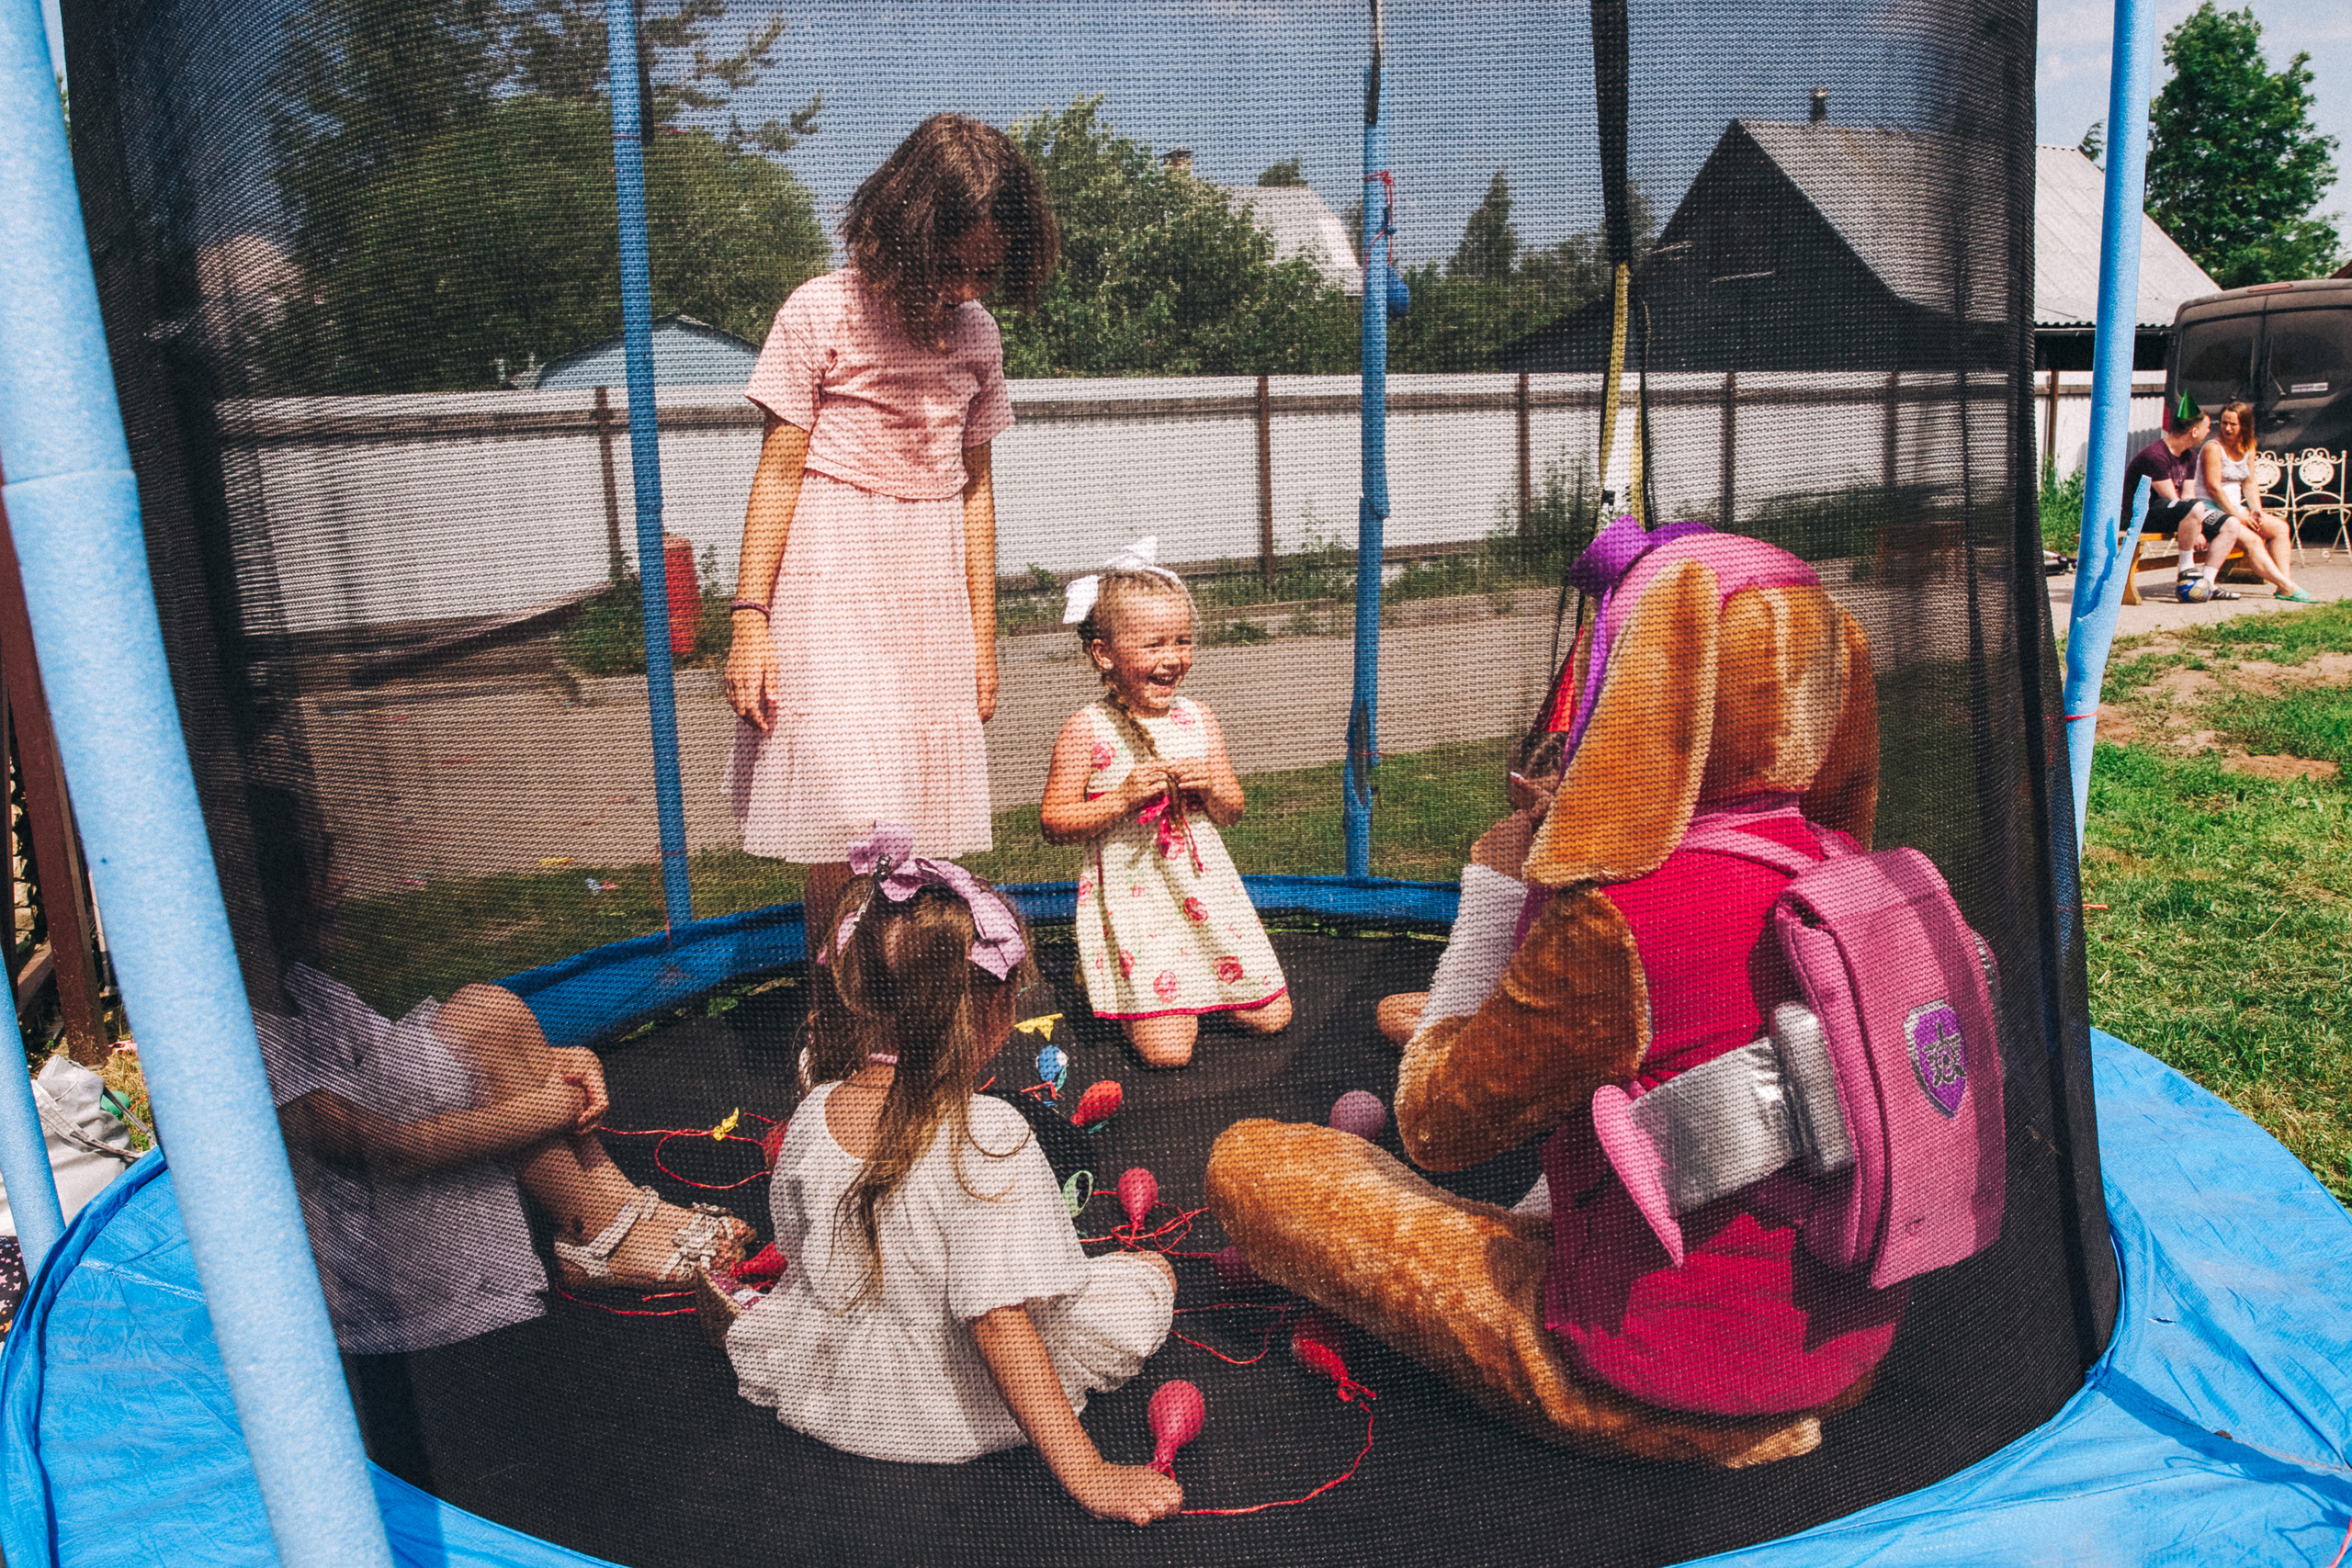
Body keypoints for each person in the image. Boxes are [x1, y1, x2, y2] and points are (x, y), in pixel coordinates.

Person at [723, 835, 1182, 1525]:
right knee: (1148, 1277)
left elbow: (795, 1240)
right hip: (949, 1411)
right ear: (991, 1016)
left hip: (842, 1394)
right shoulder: (988, 1135)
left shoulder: (815, 1112)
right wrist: (1088, 1472)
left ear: (857, 990)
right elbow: (997, 1319)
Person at [725, 114, 1059, 928]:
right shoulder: (821, 312)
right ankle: (835, 999)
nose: (970, 287)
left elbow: (976, 491)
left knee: (912, 820)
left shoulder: (976, 335)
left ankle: (897, 991)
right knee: (844, 819)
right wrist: (749, 619)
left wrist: (983, 636)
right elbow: (778, 472)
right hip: (831, 579)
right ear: (906, 233)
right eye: (953, 265)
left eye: (987, 269)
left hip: (926, 586)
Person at [261, 965, 752, 1355]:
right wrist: (556, 1106)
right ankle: (593, 1231)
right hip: (384, 1260)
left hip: (413, 1207)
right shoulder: (245, 1037)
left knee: (488, 1004)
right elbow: (392, 1150)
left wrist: (570, 1062)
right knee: (483, 1020)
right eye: (316, 875)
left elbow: (406, 1067)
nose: (336, 883)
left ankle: (615, 1203)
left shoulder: (304, 985)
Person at [1038, 543, 1292, 1068]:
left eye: (1183, 641)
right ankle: (1144, 993)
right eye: (1154, 644)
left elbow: (1233, 809)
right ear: (1104, 653)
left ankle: (1194, 988)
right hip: (1139, 908)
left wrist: (1212, 789)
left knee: (1274, 1018)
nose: (1173, 658)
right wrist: (1121, 798)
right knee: (1169, 1054)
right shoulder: (1088, 728)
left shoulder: (1198, 719)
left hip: (1205, 895)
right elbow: (1054, 822)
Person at [2120, 399, 2245, 604]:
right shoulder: (2155, 455)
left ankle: (2207, 584)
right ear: (2194, 431)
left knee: (2230, 523)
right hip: (2144, 514)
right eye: (2206, 427)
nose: (2208, 431)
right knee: (2194, 507)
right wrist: (2197, 530)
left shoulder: (2189, 456)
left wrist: (2199, 524)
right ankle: (2186, 568)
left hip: (2177, 511)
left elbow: (2188, 495)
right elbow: (2172, 498)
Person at [2201, 400, 2313, 602]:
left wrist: (2256, 509)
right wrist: (2237, 515)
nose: (2227, 428)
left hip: (2235, 508)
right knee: (2253, 540)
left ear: (2244, 425)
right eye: (2224, 423)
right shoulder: (2213, 448)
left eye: (2233, 424)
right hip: (2211, 508)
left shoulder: (2248, 447)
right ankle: (2288, 587)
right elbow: (2213, 488)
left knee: (2280, 529)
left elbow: (2250, 481)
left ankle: (2284, 583)